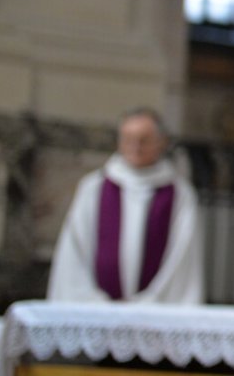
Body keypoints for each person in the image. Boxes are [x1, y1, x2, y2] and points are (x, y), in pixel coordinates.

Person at [47, 107, 204, 303]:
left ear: (161, 142)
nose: (135, 146)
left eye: (144, 140)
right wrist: (92, 299)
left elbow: (182, 257)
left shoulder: (179, 194)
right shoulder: (94, 187)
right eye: (128, 139)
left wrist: (151, 301)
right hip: (96, 310)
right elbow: (74, 248)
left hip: (155, 310)